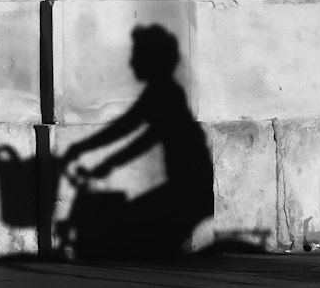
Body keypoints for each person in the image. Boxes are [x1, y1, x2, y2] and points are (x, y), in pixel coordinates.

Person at [60, 25, 213, 258]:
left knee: (129, 223)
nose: (132, 62)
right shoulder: (163, 90)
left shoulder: (164, 92)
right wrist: (96, 155)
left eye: (137, 55)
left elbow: (134, 130)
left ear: (152, 60)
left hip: (188, 190)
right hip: (188, 187)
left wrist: (92, 153)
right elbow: (138, 131)